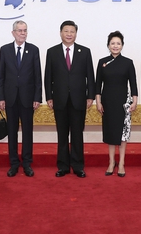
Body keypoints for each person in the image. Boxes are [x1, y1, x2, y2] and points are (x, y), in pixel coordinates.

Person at [45, 20, 95, 178]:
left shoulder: (85, 52)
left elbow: (90, 76)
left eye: (72, 31)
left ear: (76, 34)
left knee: (77, 134)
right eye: (66, 31)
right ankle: (63, 166)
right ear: (61, 33)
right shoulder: (52, 52)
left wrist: (90, 96)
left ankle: (78, 166)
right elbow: (48, 77)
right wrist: (49, 96)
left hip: (79, 99)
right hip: (59, 99)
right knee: (62, 134)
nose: (69, 34)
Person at [0, 21, 42, 177]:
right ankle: (14, 163)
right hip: (10, 98)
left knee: (27, 132)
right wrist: (0, 97)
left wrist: (37, 97)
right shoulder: (5, 50)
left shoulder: (34, 50)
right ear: (13, 33)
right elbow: (1, 76)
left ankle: (27, 163)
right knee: (12, 131)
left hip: (28, 99)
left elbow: (38, 76)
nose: (23, 33)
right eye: (20, 31)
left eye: (25, 31)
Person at [95, 31, 138, 178]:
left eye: (118, 43)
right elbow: (97, 85)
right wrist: (98, 103)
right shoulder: (102, 62)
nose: (115, 46)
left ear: (122, 45)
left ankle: (121, 164)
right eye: (112, 43)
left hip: (123, 103)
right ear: (108, 45)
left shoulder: (128, 62)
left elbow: (133, 85)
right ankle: (111, 162)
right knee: (110, 133)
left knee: (122, 134)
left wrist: (135, 102)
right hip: (107, 102)